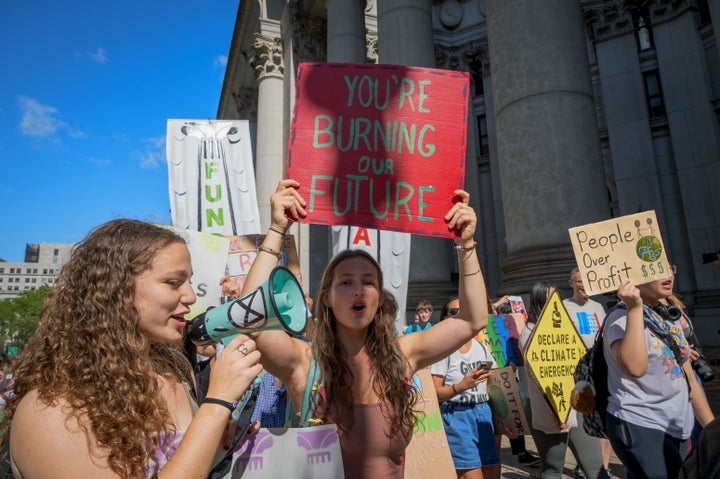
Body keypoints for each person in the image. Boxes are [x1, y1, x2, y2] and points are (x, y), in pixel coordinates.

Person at [230, 179, 488, 479]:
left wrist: (465, 243)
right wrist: (276, 231)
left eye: (368, 282)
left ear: (379, 298)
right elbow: (249, 320)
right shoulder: (304, 362)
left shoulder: (403, 355)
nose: (358, 290)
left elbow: (472, 320)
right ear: (325, 298)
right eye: (346, 282)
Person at [0, 219, 263, 478]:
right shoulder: (50, 408)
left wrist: (223, 438)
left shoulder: (177, 371)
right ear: (118, 289)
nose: (191, 296)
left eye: (189, 282)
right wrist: (216, 405)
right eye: (173, 282)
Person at [604, 276, 715, 478]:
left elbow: (689, 381)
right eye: (656, 271)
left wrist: (712, 429)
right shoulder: (620, 319)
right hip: (641, 425)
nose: (668, 276)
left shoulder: (666, 317)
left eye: (669, 269)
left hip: (677, 428)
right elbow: (635, 368)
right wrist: (635, 309)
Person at [519, 281, 604, 479]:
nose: (555, 301)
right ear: (540, 301)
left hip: (576, 407)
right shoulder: (529, 333)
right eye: (550, 297)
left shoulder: (564, 327)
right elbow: (542, 376)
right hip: (550, 410)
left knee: (596, 468)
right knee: (552, 469)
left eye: (556, 296)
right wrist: (557, 412)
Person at [431, 295, 499, 479]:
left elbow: (493, 386)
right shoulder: (442, 350)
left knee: (491, 474)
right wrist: (461, 386)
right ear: (445, 317)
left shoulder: (482, 347)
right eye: (454, 312)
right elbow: (433, 394)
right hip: (457, 416)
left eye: (464, 311)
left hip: (483, 414)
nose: (460, 315)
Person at [562, 268, 613, 476]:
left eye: (588, 281)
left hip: (599, 368)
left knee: (603, 417)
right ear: (571, 283)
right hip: (577, 371)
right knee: (583, 418)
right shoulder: (565, 307)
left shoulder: (598, 306)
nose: (584, 285)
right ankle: (586, 463)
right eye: (580, 281)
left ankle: (604, 467)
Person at [493, 298, 541, 468]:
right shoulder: (492, 328)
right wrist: (497, 304)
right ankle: (514, 452)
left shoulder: (516, 329)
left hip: (513, 375)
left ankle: (520, 451)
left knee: (516, 411)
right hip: (496, 378)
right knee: (507, 415)